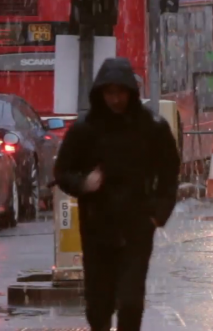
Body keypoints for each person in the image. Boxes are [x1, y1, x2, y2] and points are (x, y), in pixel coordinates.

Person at [54, 58, 180, 331]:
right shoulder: (85, 129)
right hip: (98, 226)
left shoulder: (151, 127)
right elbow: (62, 172)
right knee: (99, 304)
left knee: (131, 301)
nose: (115, 100)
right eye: (110, 93)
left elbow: (169, 173)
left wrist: (157, 215)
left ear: (130, 93)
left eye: (120, 92)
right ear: (101, 93)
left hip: (137, 226)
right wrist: (84, 184)